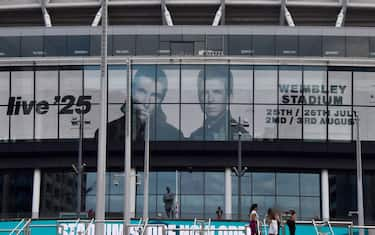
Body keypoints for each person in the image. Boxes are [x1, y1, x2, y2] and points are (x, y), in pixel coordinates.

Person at [97, 67, 182, 148]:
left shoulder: (173, 135)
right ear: (130, 91)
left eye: (155, 95)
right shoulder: (107, 132)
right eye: (142, 91)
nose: (146, 101)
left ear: (161, 100)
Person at [190, 68, 249, 140]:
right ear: (199, 97)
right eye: (204, 93)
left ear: (229, 97)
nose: (210, 99)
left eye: (217, 92)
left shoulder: (240, 135)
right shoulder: (195, 136)